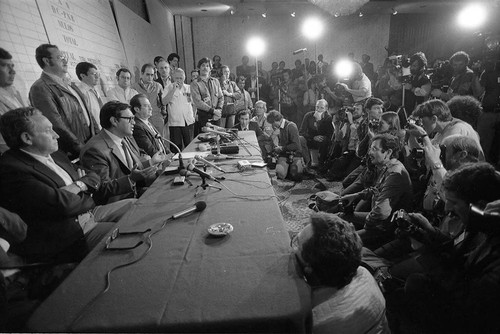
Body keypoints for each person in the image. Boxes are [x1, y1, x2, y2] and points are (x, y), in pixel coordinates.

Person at [0, 107, 136, 262]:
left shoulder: (55, 153)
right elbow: (64, 205)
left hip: (88, 214)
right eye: (48, 130)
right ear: (27, 138)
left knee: (137, 206)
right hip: (71, 236)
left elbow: (93, 177)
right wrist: (84, 188)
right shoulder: (12, 169)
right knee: (129, 233)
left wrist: (77, 186)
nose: (56, 135)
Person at [389, 162, 500, 333]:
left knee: (414, 285)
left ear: (480, 206)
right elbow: (459, 253)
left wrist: (425, 253)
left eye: (454, 202)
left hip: (468, 319)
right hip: (461, 298)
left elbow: (465, 297)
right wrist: (429, 231)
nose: (448, 208)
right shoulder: (483, 225)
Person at [291, 212, 389, 333]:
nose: (292, 249)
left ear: (309, 268)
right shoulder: (364, 274)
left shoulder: (314, 321)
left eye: (297, 244)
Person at [80, 101, 168, 205]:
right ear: (114, 121)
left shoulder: (125, 137)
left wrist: (156, 168)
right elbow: (102, 188)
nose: (134, 122)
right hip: (119, 202)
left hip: (135, 192)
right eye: (129, 119)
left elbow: (132, 169)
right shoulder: (95, 149)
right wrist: (131, 179)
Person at [341, 133, 413, 250]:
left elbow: (381, 213)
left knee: (342, 240)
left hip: (385, 228)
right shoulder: (387, 167)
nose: (370, 153)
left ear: (388, 152)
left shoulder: (395, 174)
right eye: (371, 148)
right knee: (341, 217)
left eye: (374, 149)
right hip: (379, 222)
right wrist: (356, 195)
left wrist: (365, 226)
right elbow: (376, 190)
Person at [29, 44, 99, 159]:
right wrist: (81, 149)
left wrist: (97, 139)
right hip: (74, 154)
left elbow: (88, 114)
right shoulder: (40, 88)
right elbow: (55, 124)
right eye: (60, 57)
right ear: (47, 61)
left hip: (91, 146)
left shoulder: (71, 85)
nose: (65, 61)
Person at [407, 99, 482, 156]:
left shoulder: (457, 129)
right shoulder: (441, 132)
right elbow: (425, 154)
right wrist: (412, 135)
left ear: (434, 119)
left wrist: (424, 135)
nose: (420, 124)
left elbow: (438, 158)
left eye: (421, 120)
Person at [162, 68, 195, 151]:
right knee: (176, 148)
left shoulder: (189, 88)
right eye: (177, 78)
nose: (179, 80)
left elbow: (194, 104)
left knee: (190, 146)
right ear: (173, 78)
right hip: (175, 123)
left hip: (188, 122)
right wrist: (173, 90)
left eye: (181, 78)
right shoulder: (168, 88)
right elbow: (164, 102)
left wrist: (193, 116)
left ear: (184, 78)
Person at [0, 48, 26, 153]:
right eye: (5, 65)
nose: (13, 71)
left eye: (12, 66)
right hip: (15, 159)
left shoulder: (15, 92)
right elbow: (2, 144)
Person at [267, 110, 303, 180]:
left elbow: (296, 145)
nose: (272, 126)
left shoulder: (291, 126)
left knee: (296, 175)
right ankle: (287, 169)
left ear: (276, 121)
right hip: (284, 155)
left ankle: (293, 167)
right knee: (280, 173)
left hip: (295, 154)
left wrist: (282, 148)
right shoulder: (279, 128)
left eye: (273, 123)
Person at [299, 99, 333, 167]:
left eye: (321, 108)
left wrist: (319, 121)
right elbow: (301, 132)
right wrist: (313, 137)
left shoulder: (328, 118)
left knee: (325, 140)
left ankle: (321, 165)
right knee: (300, 139)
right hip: (310, 139)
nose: (318, 110)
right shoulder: (308, 116)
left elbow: (329, 134)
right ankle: (308, 163)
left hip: (321, 140)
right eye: (317, 107)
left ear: (326, 109)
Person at [190, 57, 224, 127]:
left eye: (207, 66)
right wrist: (213, 111)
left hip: (216, 116)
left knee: (218, 137)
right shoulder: (195, 84)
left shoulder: (216, 81)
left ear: (210, 68)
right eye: (203, 65)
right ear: (199, 68)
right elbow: (198, 102)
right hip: (203, 117)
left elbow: (221, 97)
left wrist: (219, 110)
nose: (205, 68)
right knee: (204, 137)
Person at [132, 63, 165, 133]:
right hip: (142, 119)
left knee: (160, 141)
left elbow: (163, 102)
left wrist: (163, 115)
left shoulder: (158, 86)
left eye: (152, 75)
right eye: (147, 74)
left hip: (157, 118)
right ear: (142, 73)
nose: (150, 77)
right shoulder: (134, 87)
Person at [75, 62, 104, 129]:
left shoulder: (95, 90)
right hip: (93, 130)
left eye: (97, 74)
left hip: (102, 127)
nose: (97, 77)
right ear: (83, 76)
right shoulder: (81, 92)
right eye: (93, 74)